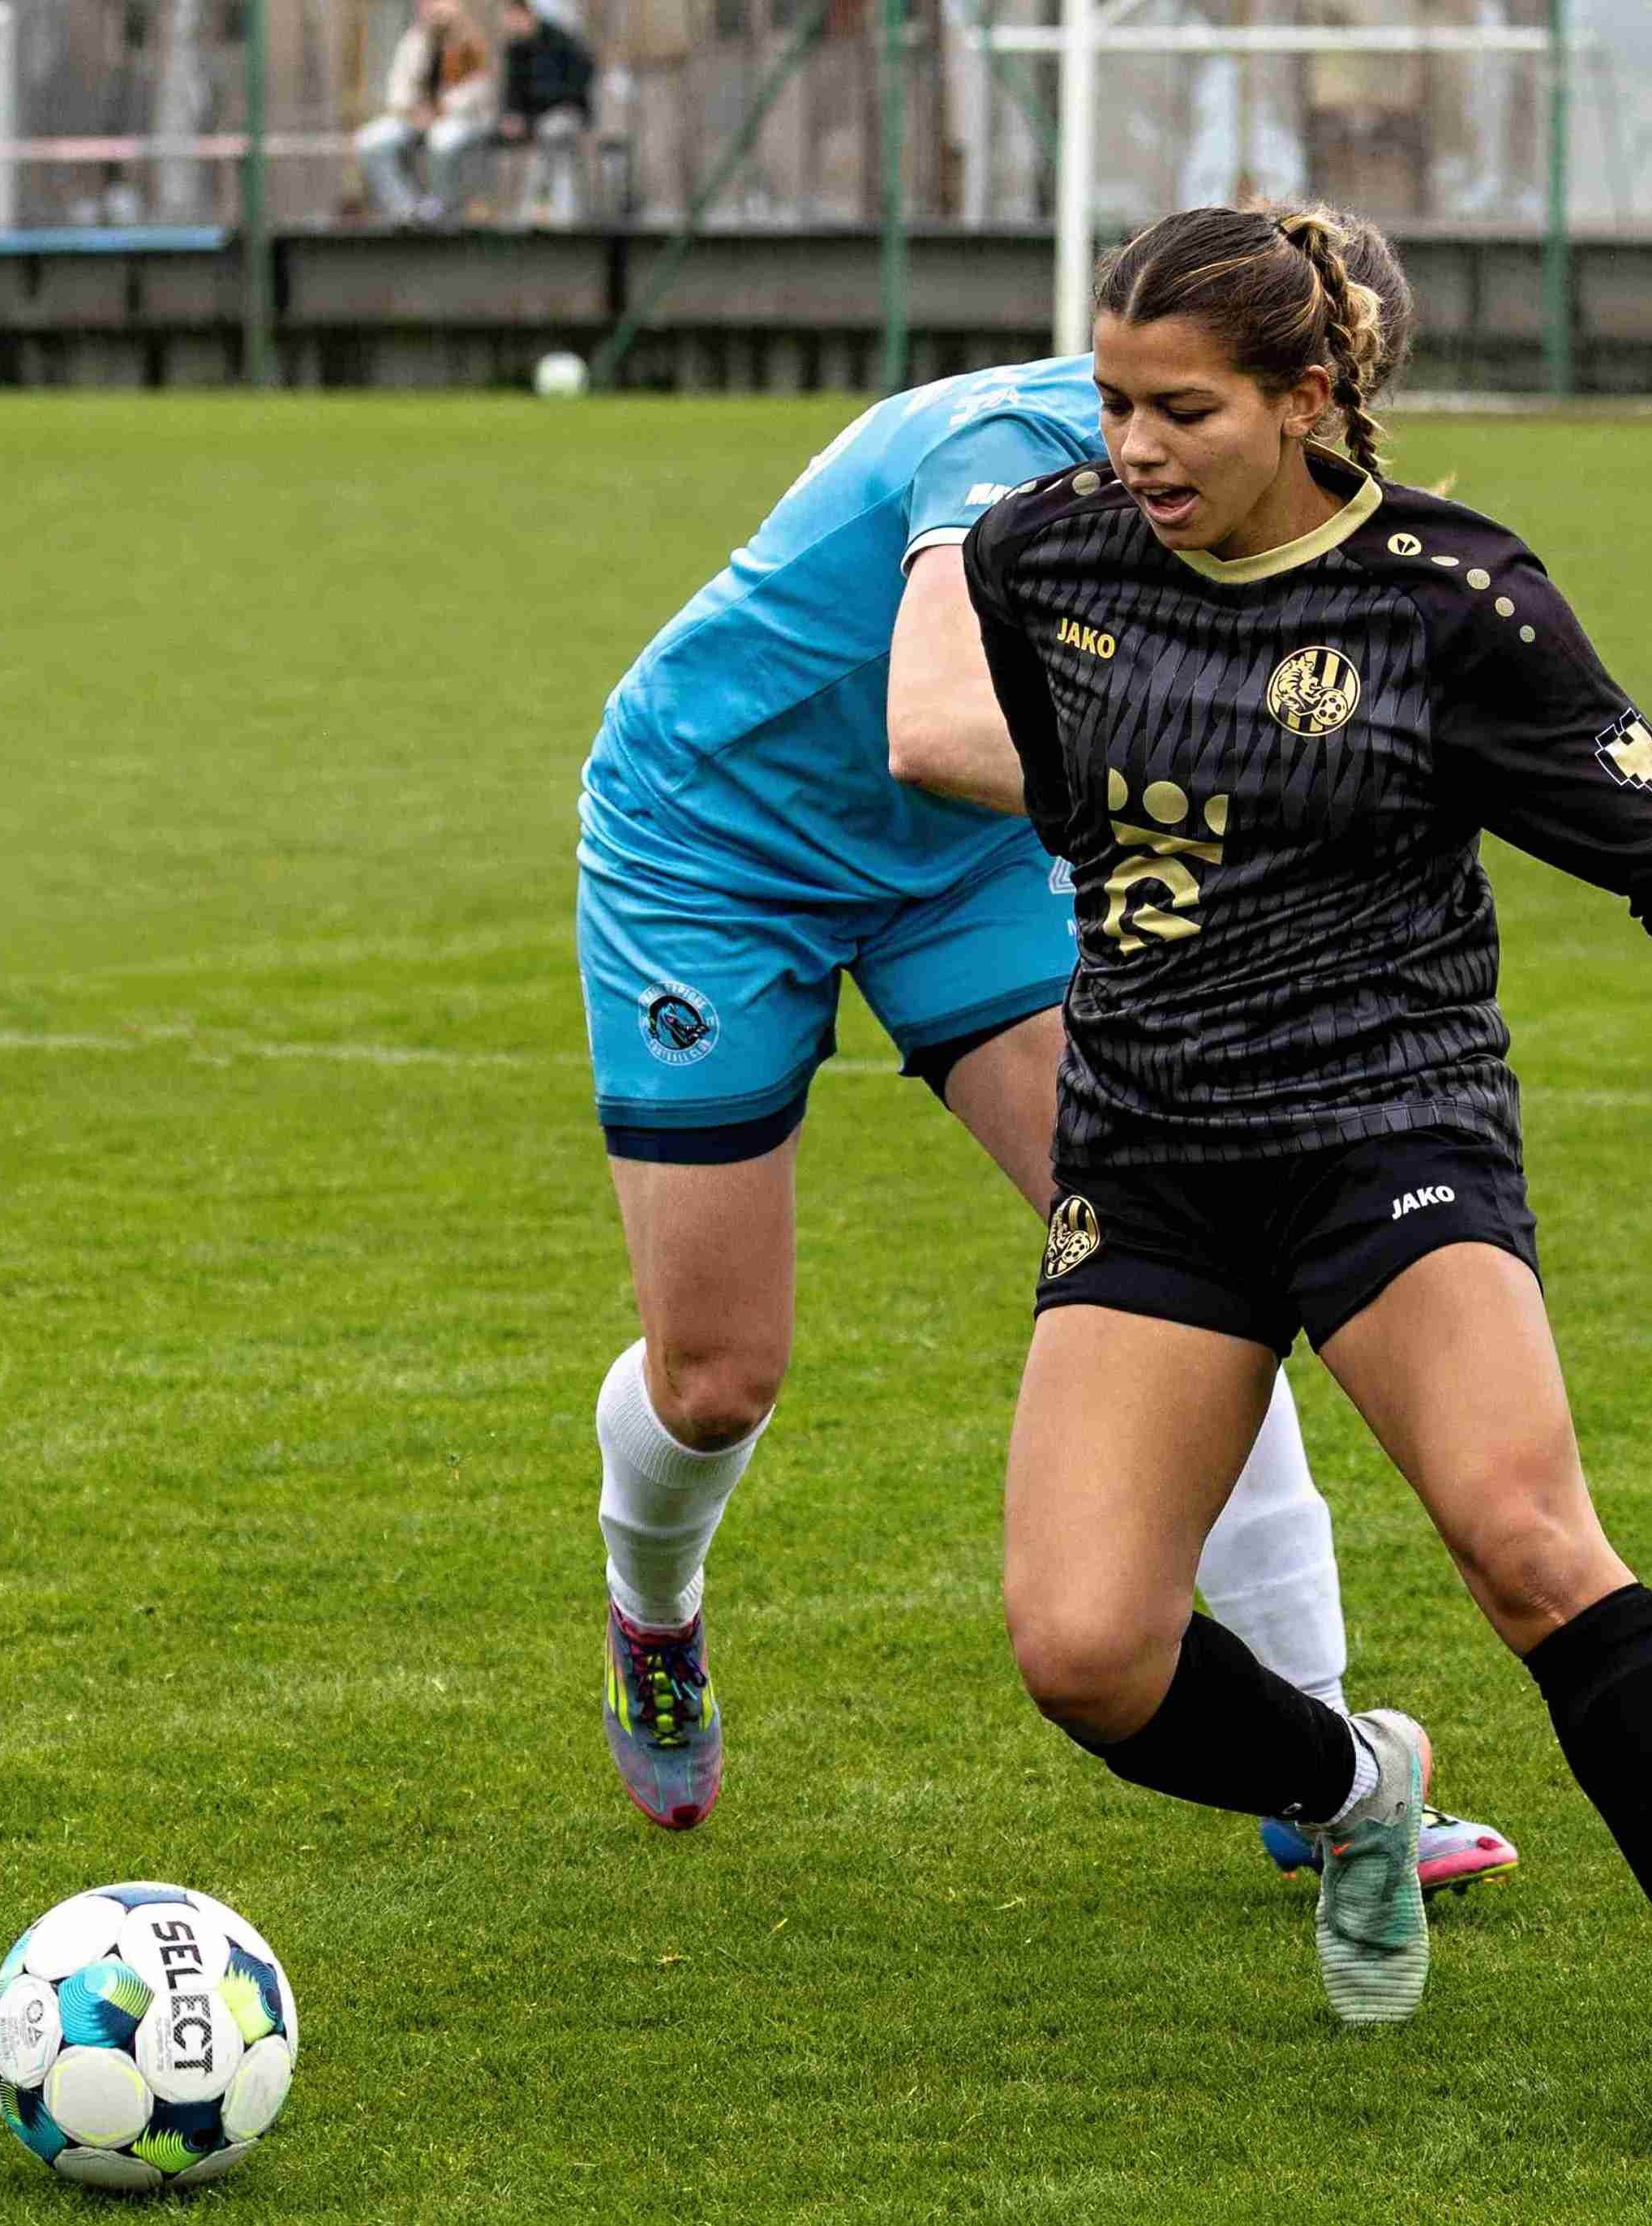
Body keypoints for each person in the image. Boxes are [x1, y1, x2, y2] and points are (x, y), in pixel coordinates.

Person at [963, 201, 1652, 2138]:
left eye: (1182, 409)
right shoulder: (1037, 558)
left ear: (1305, 397)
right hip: (1153, 1153)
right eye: (1112, 403)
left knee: (1524, 1540)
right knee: (1083, 1651)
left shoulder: (1457, 601)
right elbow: (1069, 813)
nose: (1133, 447)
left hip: (1387, 1131)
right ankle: (1360, 1790)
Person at [576, 350, 1519, 1902]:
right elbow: (934, 722)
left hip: (958, 865)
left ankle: (1326, 1775)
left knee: (1200, 1234)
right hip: (712, 846)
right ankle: (653, 1613)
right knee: (718, 1377)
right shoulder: (1013, 443)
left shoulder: (1255, 499)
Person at [354, 0, 497, 227]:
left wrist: (443, 108)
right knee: (369, 142)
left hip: (458, 118)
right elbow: (398, 86)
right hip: (415, 117)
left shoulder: (470, 42)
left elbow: (479, 89)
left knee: (442, 141)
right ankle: (407, 210)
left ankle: (442, 211)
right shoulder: (414, 42)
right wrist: (413, 109)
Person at [497, 2, 594, 228]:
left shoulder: (561, 41)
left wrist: (537, 112)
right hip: (531, 118)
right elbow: (512, 90)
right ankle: (508, 209)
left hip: (564, 114)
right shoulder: (516, 49)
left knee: (551, 132)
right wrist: (511, 115)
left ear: (526, 14)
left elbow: (578, 83)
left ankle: (545, 208)